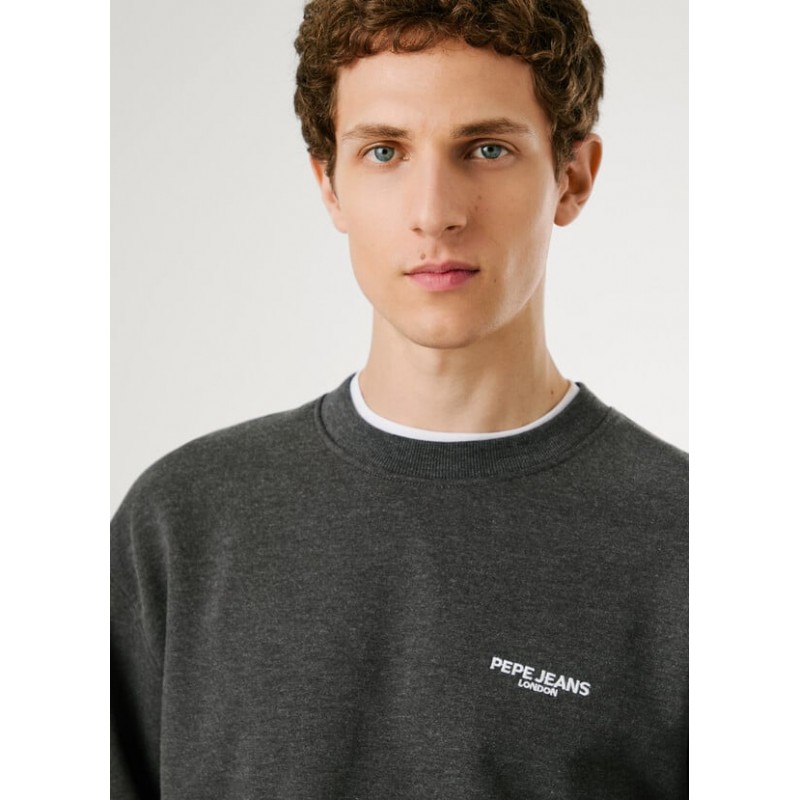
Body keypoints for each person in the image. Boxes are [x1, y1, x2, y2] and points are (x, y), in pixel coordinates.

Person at [111, 0, 688, 797]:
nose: (434, 213)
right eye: (384, 151)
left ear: (573, 177)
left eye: (487, 149)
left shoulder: (694, 548)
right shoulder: (181, 527)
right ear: (329, 185)